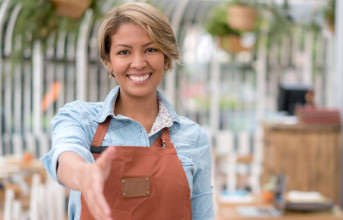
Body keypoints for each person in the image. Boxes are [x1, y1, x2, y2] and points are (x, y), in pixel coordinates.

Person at [41, 2, 214, 220]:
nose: (138, 63)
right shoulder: (81, 118)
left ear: (166, 57)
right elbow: (66, 155)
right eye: (124, 52)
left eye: (151, 49)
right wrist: (85, 175)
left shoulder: (194, 138)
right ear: (108, 61)